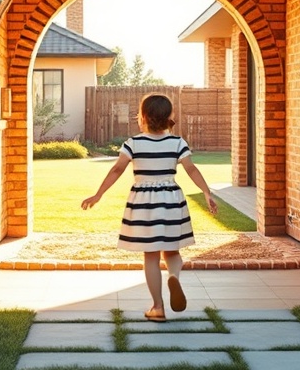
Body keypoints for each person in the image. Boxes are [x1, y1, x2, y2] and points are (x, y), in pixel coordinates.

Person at [81, 93, 218, 322]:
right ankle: (173, 276)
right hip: (171, 199)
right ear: (169, 117)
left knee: (151, 255)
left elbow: (117, 170)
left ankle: (158, 307)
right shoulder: (177, 143)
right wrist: (206, 192)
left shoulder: (133, 143)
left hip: (144, 202)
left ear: (143, 117)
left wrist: (98, 194)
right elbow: (191, 169)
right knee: (172, 250)